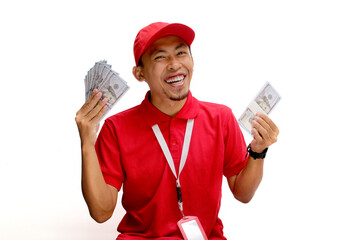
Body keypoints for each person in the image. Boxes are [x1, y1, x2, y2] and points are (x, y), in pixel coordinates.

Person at [75, 22, 279, 240]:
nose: (174, 64)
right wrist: (87, 142)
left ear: (192, 61)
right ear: (139, 73)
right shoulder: (116, 128)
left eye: (181, 52)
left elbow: (243, 193)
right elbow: (101, 212)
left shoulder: (221, 118)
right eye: (160, 57)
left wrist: (258, 151)